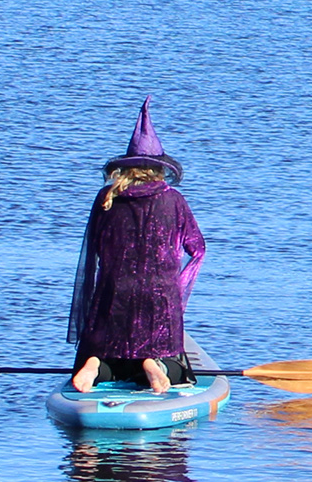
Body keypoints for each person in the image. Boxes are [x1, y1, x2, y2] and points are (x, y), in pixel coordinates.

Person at [68, 101, 210, 392]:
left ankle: (94, 364)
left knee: (107, 353)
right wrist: (177, 285)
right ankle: (153, 363)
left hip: (113, 293)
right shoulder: (173, 200)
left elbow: (94, 250)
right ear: (160, 169)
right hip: (158, 295)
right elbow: (198, 249)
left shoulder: (106, 197)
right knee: (175, 365)